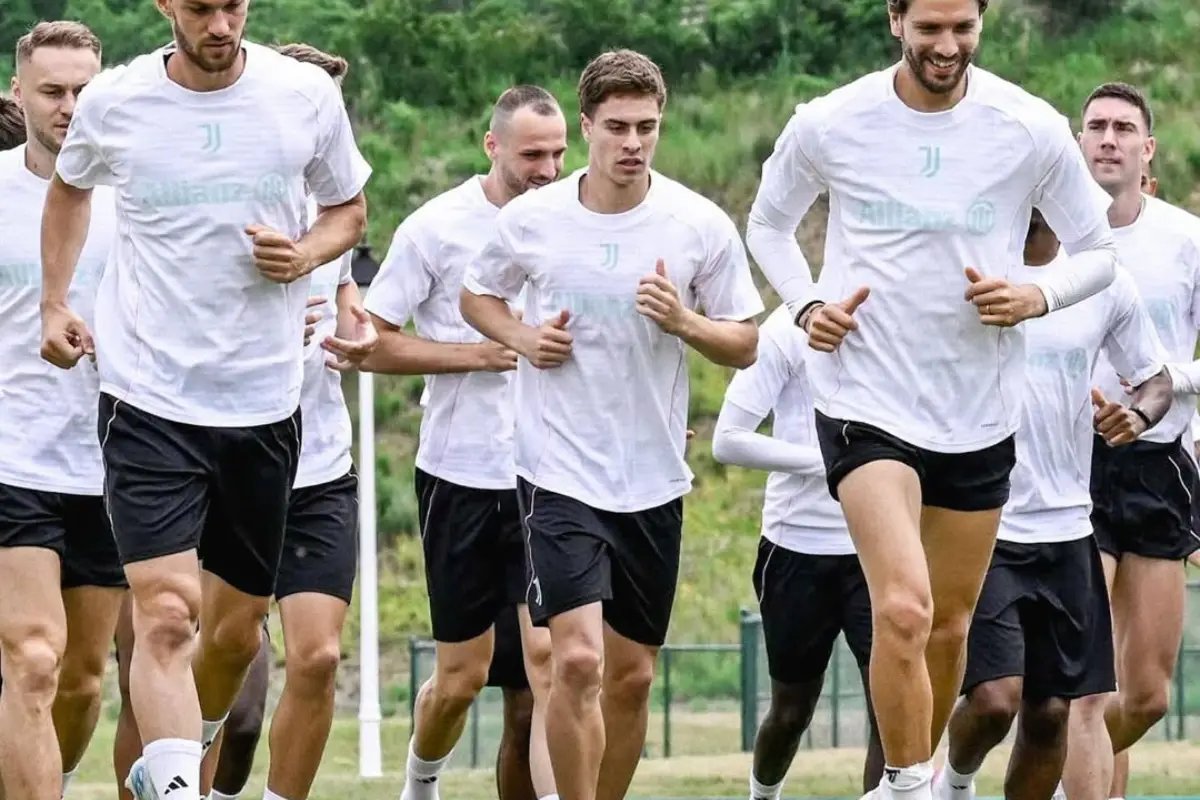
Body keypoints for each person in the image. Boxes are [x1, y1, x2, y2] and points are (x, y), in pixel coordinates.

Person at [745, 1, 1118, 797]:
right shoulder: (831, 122)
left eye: (962, 29)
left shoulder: (1028, 127)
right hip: (863, 401)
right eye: (929, 30)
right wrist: (808, 305)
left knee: (949, 626)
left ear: (981, 22)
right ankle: (910, 784)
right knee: (905, 610)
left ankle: (912, 783)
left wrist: (1037, 295)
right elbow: (768, 225)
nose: (946, 47)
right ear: (895, 20)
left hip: (977, 412)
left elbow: (1098, 250)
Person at [38, 0, 372, 795]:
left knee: (233, 636)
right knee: (164, 613)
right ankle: (180, 783)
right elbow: (69, 191)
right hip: (147, 397)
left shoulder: (303, 95)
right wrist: (54, 303)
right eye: (199, 7)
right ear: (165, 5)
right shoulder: (118, 100)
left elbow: (348, 211)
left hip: (263, 404)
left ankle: (180, 753)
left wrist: (307, 254)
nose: (220, 24)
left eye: (233, 5)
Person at [461, 49, 763, 800]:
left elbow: (744, 341)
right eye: (618, 127)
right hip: (557, 472)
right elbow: (477, 296)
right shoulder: (532, 220)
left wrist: (684, 321)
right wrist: (524, 338)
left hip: (652, 477)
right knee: (577, 662)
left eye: (647, 128)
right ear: (588, 125)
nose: (633, 142)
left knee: (631, 678)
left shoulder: (696, 224)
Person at [361, 83, 568, 800]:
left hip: (554, 476)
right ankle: (420, 783)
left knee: (549, 662)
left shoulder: (578, 219)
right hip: (461, 476)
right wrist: (476, 354)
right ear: (492, 146)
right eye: (532, 155)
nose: (548, 170)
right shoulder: (436, 227)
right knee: (462, 677)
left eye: (558, 153)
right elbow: (374, 343)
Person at [936, 210, 1173, 800]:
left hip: (1068, 527)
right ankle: (954, 786)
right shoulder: (966, 262)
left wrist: (1137, 416)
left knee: (1050, 716)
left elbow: (1156, 379)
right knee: (995, 700)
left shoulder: (1101, 279)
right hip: (984, 520)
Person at [0, 22, 124, 800]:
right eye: (52, 90)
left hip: (113, 462)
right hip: (12, 456)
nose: (70, 106)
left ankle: (48, 777)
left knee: (80, 680)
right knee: (34, 659)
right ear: (17, 92)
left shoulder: (136, 195)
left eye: (84, 90)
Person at [1070, 82, 1200, 800]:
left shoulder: (1186, 238)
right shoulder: (1048, 238)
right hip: (1071, 468)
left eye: (1124, 128)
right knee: (1086, 688)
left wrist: (1168, 381)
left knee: (1144, 696)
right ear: (1078, 143)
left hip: (1160, 466)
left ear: (1147, 149)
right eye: (1096, 127)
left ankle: (1050, 768)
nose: (1109, 139)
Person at [712, 305, 883, 800]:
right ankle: (763, 795)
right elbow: (728, 441)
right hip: (796, 547)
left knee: (890, 709)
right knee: (792, 711)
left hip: (879, 545)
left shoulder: (903, 313)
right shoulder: (787, 328)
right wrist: (835, 462)